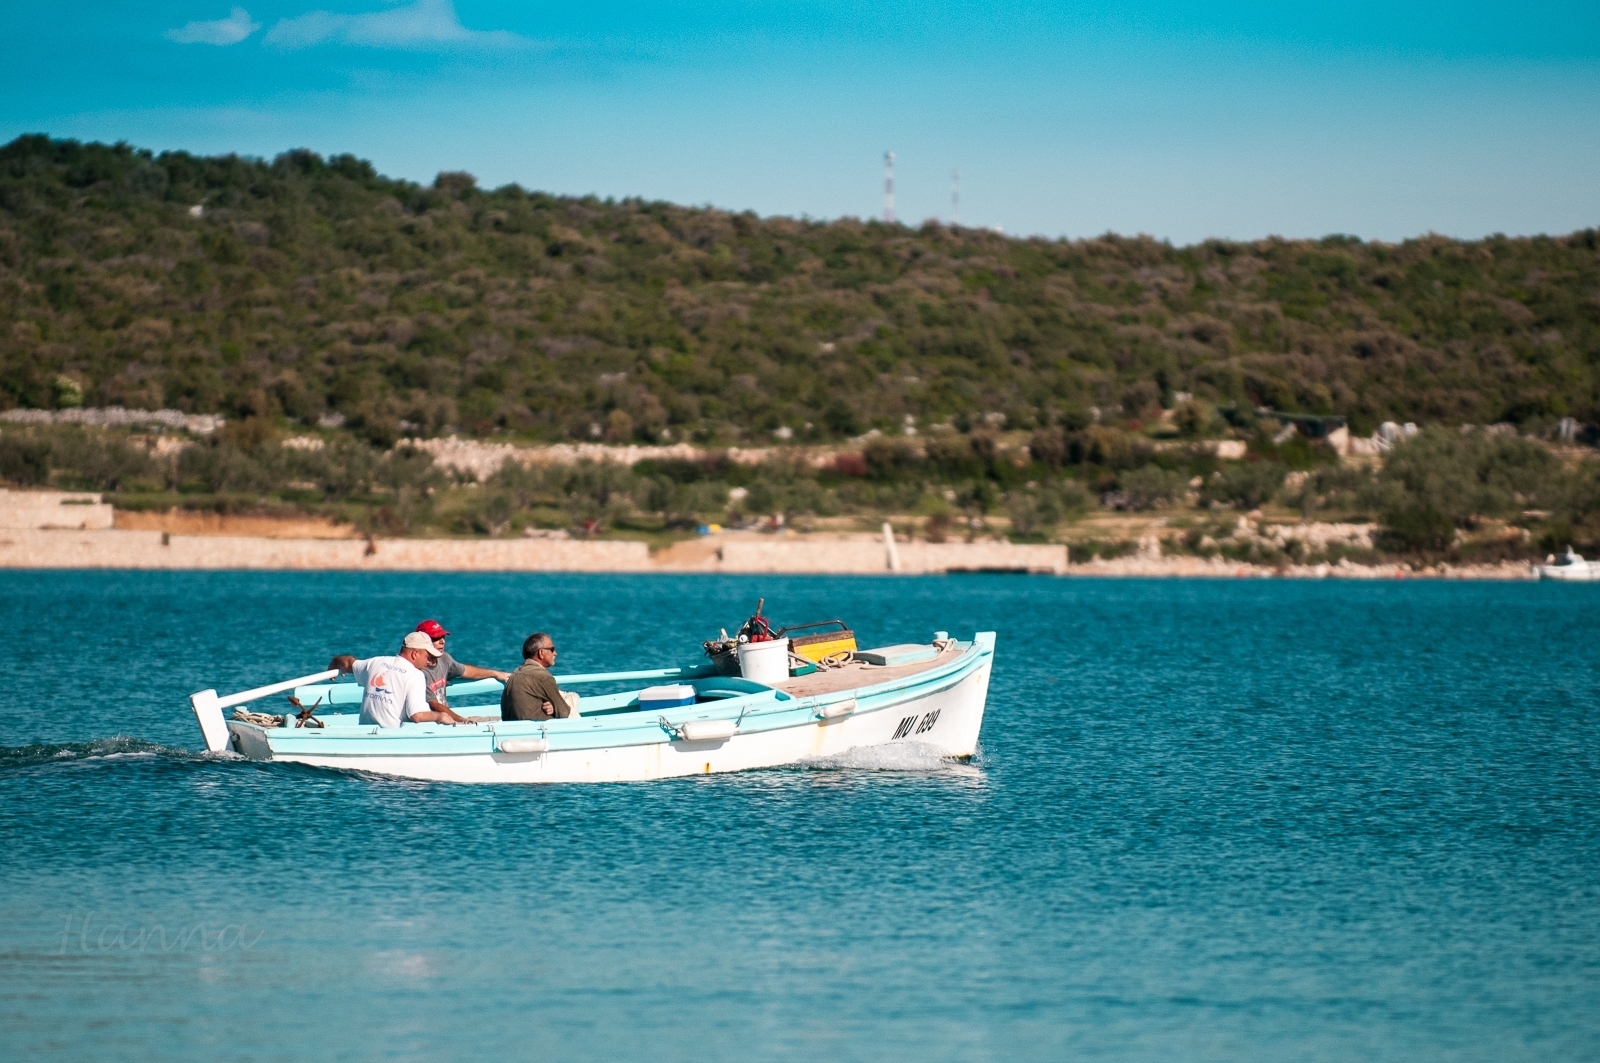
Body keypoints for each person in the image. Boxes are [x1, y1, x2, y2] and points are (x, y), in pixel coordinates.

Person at [328, 632, 464, 728]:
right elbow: (417, 715)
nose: (429, 661)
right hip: (389, 737)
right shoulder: (415, 675)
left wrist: (334, 662)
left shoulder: (376, 662)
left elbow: (347, 662)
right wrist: (440, 716)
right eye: (428, 656)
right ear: (415, 654)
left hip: (364, 731)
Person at [414, 619, 511, 724]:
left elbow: (466, 671)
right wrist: (461, 720)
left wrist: (495, 673)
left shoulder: (444, 659)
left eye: (443, 637)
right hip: (434, 723)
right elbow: (434, 704)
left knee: (506, 719)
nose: (442, 641)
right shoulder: (418, 672)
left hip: (451, 720)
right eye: (436, 638)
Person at [501, 632, 572, 721]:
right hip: (535, 728)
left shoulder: (514, 674)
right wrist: (556, 708)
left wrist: (553, 707)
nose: (555, 653)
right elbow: (564, 712)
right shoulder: (543, 677)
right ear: (541, 653)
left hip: (511, 726)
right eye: (552, 649)